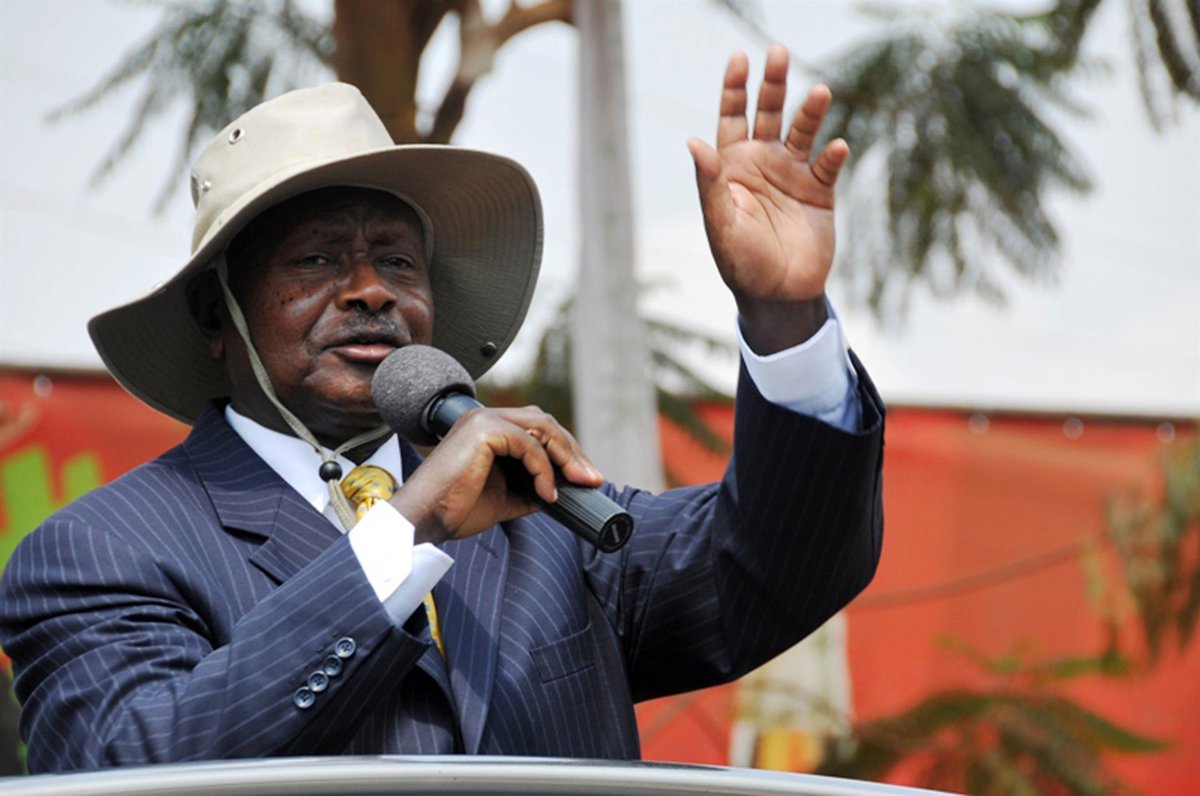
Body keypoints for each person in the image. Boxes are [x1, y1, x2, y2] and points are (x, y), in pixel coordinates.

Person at [0, 46, 884, 772]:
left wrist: (785, 319)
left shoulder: (547, 518)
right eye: (316, 261)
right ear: (213, 316)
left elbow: (774, 566)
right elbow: (132, 764)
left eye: (397, 261)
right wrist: (407, 530)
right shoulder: (99, 554)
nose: (370, 291)